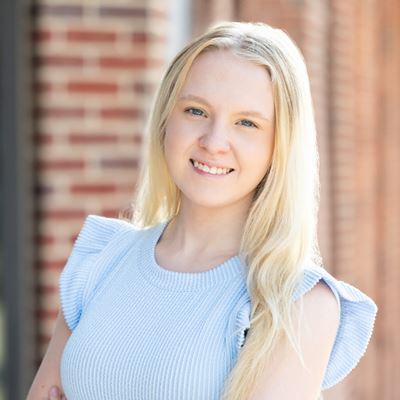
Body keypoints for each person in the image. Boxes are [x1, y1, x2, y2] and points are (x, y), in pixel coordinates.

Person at [27, 21, 378, 400]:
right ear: (166, 120)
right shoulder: (103, 258)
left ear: (280, 146)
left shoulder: (296, 302)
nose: (214, 142)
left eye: (246, 123)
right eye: (196, 111)